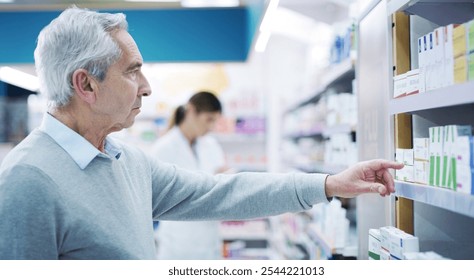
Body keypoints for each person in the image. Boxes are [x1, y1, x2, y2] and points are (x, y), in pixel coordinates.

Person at [0, 6, 403, 260]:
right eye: (132, 70)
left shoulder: (125, 160)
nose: (146, 86)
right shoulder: (28, 181)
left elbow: (221, 193)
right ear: (86, 85)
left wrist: (329, 184)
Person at [152, 91, 227, 259]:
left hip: (210, 239)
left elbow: (222, 177)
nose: (211, 127)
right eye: (209, 120)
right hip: (178, 243)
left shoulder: (211, 144)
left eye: (215, 121)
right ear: (191, 111)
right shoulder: (163, 148)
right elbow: (159, 196)